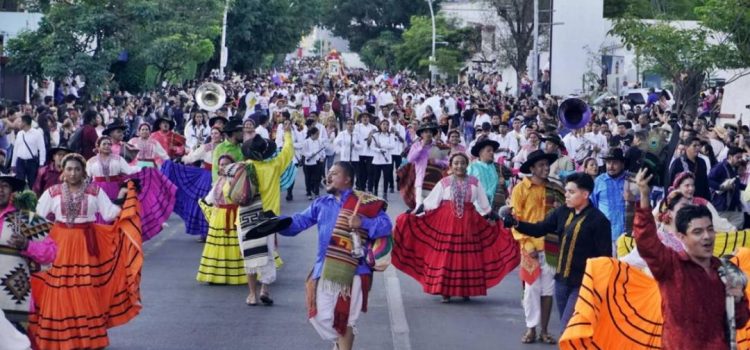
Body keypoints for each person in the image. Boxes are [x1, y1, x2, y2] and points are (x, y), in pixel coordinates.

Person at [30, 153, 143, 349]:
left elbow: (109, 214)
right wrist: (44, 236)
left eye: (77, 169)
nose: (73, 173)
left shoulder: (94, 191)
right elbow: (37, 217)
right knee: (59, 288)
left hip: (86, 244)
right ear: (63, 172)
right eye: (69, 169)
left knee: (85, 288)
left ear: (83, 172)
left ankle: (87, 338)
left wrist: (125, 196)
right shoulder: (52, 192)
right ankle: (59, 338)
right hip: (59, 244)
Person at [279, 162, 392, 350]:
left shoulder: (364, 201)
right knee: (320, 317)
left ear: (347, 179)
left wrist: (362, 222)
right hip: (324, 268)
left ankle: (343, 344)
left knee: (347, 319)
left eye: (334, 174)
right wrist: (275, 224)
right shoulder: (321, 203)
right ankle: (340, 343)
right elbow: (298, 222)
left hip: (354, 270)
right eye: (328, 174)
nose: (328, 177)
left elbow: (385, 226)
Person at [632, 168, 749, 349]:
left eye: (710, 230)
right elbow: (646, 242)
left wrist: (739, 298)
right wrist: (644, 196)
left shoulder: (724, 271)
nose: (706, 237)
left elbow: (740, 321)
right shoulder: (671, 266)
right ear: (681, 236)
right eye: (697, 232)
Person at [393, 152, 519, 302]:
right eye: (456, 163)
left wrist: (499, 220)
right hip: (445, 223)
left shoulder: (474, 182)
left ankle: (466, 290)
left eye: (462, 163)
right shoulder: (444, 182)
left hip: (469, 225)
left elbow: (485, 207)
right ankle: (445, 292)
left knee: (467, 257)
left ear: (467, 165)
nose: (459, 166)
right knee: (446, 256)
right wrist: (413, 213)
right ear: (451, 166)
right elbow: (430, 203)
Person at [505, 172, 612, 330]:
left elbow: (605, 258)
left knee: (566, 329)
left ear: (585, 194)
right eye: (566, 191)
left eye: (571, 192)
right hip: (561, 282)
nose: (566, 195)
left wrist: (599, 288)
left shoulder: (599, 221)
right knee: (570, 329)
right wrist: (516, 223)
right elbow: (540, 229)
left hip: (583, 284)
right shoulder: (562, 212)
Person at [509, 149, 565, 344]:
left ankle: (545, 329)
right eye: (541, 165)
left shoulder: (557, 190)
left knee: (548, 290)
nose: (545, 168)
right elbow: (515, 219)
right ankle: (530, 328)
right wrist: (527, 243)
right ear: (531, 168)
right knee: (532, 289)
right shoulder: (520, 189)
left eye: (546, 164)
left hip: (551, 246)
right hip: (529, 245)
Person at [237, 122, 295, 305]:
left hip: (246, 217)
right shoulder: (275, 165)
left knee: (250, 255)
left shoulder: (243, 168)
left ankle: (252, 294)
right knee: (269, 254)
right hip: (269, 216)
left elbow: (227, 193)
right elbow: (288, 151)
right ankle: (265, 289)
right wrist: (286, 133)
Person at [0, 175, 56, 349]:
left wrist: (27, 245)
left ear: (11, 192)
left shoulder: (25, 219)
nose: (0, 190)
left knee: (16, 343)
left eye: (4, 186)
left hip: (13, 295)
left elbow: (51, 253)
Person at [196, 154, 247, 285]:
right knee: (217, 247)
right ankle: (216, 275)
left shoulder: (237, 178)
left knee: (234, 246)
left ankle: (235, 274)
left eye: (226, 164)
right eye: (221, 164)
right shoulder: (219, 180)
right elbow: (211, 197)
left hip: (234, 215)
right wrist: (204, 202)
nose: (223, 166)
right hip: (219, 216)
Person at [591, 148, 631, 252]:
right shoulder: (599, 181)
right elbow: (593, 207)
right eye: (608, 162)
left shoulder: (631, 181)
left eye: (615, 163)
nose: (611, 166)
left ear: (622, 164)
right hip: (606, 234)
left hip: (628, 234)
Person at [405, 121, 449, 210]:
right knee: (419, 208)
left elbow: (448, 163)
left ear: (433, 134)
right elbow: (410, 159)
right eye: (425, 132)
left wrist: (437, 161)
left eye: (430, 132)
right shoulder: (416, 146)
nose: (428, 134)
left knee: (433, 208)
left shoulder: (439, 146)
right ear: (421, 134)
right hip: (420, 181)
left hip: (435, 182)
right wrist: (421, 147)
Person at [708, 146, 747, 228]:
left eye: (741, 157)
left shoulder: (735, 168)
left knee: (736, 227)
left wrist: (747, 187)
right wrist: (721, 187)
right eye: (738, 157)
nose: (740, 159)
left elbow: (737, 184)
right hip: (721, 207)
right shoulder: (720, 167)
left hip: (734, 207)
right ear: (730, 157)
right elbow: (709, 180)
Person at [467, 138, 508, 212]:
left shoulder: (499, 167)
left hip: (497, 205)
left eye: (492, 151)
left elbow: (508, 183)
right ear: (480, 153)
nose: (492, 153)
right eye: (488, 150)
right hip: (478, 207)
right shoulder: (472, 168)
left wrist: (504, 182)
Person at [12, 115, 46, 188]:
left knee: (32, 182)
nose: (18, 123)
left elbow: (42, 149)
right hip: (20, 161)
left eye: (20, 122)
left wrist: (41, 163)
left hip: (32, 162)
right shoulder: (19, 133)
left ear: (24, 123)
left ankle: (33, 198)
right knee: (19, 183)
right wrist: (13, 163)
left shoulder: (37, 133)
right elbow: (16, 149)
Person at [368, 119, 395, 199]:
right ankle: (375, 190)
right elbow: (372, 147)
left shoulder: (391, 136)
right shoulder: (376, 136)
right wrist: (379, 150)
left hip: (387, 160)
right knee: (376, 177)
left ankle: (385, 192)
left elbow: (392, 146)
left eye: (387, 125)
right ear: (380, 125)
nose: (385, 126)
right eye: (383, 124)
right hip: (377, 159)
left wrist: (383, 146)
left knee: (386, 177)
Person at [302, 127, 325, 200]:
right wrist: (311, 154)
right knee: (308, 179)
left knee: (317, 178)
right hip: (308, 163)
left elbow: (323, 151)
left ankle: (317, 192)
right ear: (312, 134)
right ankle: (308, 192)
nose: (318, 135)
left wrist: (322, 157)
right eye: (317, 134)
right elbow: (304, 152)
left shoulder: (319, 141)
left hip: (317, 162)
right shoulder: (306, 142)